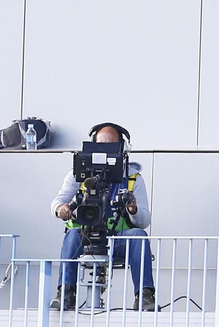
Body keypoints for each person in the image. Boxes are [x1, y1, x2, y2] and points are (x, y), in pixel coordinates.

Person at [50, 123, 156, 312]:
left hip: (117, 239)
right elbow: (58, 202)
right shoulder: (78, 175)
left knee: (138, 235)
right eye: (100, 145)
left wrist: (133, 210)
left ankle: (145, 295)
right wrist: (61, 209)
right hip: (86, 236)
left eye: (110, 146)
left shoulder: (133, 179)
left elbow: (144, 220)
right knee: (73, 234)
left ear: (121, 149)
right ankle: (66, 293)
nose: (105, 151)